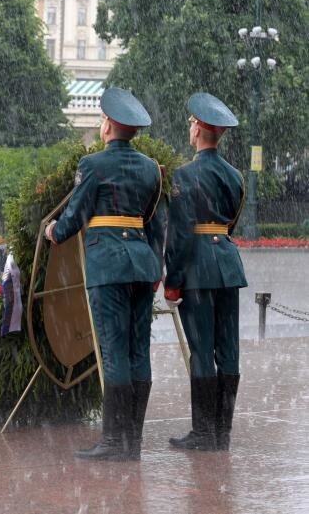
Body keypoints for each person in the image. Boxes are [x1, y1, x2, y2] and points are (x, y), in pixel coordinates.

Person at [45, 88, 163, 461]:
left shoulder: (93, 165)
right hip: (142, 264)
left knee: (113, 353)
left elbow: (74, 216)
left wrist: (53, 231)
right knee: (138, 350)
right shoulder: (150, 168)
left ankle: (114, 443)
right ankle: (133, 442)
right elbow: (152, 220)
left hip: (108, 264)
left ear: (108, 126)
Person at [164, 93, 247, 452]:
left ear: (198, 130)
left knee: (201, 350)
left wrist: (173, 279)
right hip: (228, 266)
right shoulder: (235, 176)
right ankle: (221, 432)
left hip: (198, 268)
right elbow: (231, 225)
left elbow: (181, 234)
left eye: (190, 124)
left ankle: (203, 433)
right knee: (227, 350)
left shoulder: (184, 175)